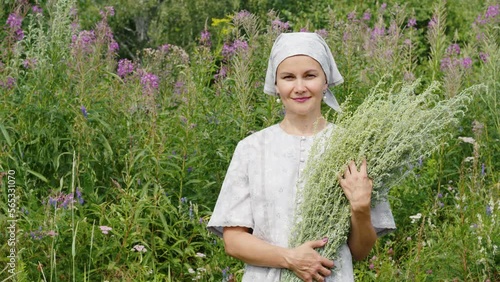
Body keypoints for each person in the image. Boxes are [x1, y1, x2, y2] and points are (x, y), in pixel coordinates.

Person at [207, 32, 396, 282]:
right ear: (276, 85)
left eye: (310, 75)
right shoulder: (252, 149)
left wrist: (360, 209)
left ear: (325, 81)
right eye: (288, 77)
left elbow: (360, 251)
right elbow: (233, 241)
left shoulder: (353, 147)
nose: (299, 87)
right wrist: (290, 258)